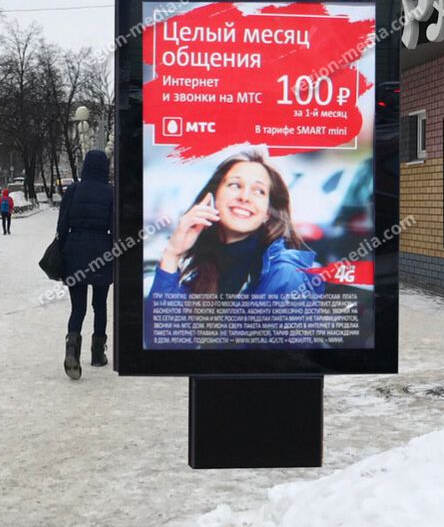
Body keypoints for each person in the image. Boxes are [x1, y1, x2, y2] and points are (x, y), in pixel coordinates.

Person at [145, 150, 324, 348]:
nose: (244, 197)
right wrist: (172, 253)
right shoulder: (201, 268)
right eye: (235, 185)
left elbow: (288, 364)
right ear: (212, 200)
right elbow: (167, 346)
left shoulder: (285, 274)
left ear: (267, 214)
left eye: (259, 191)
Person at [57, 149, 114, 379]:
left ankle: (72, 348)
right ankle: (98, 353)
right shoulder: (111, 193)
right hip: (102, 251)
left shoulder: (74, 190)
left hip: (74, 250)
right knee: (99, 305)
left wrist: (62, 251)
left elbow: (62, 224)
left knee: (77, 307)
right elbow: (115, 226)